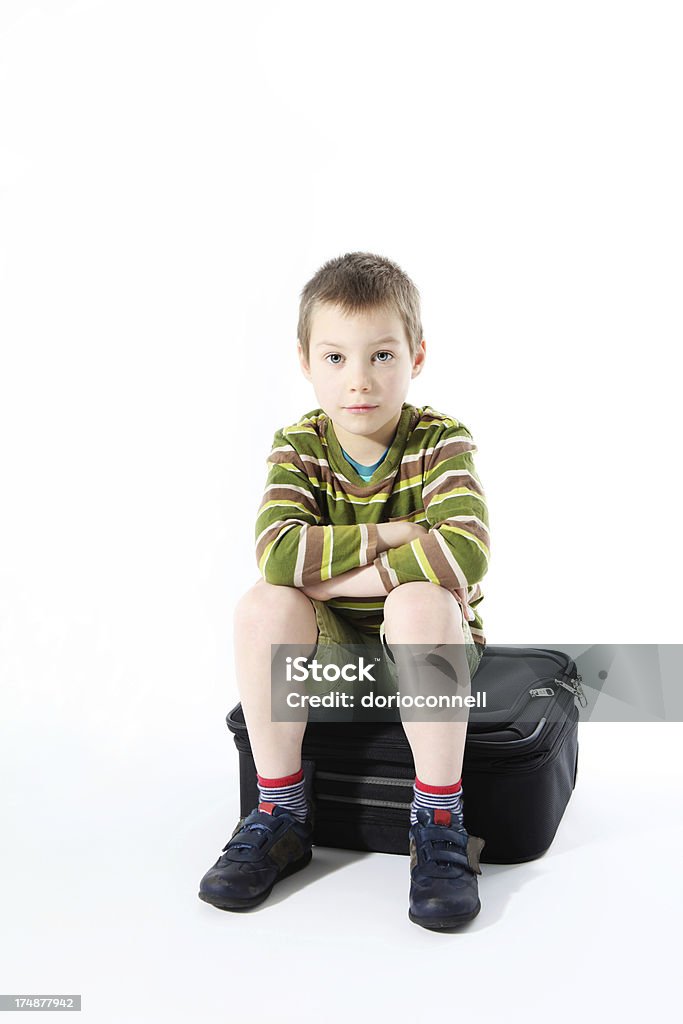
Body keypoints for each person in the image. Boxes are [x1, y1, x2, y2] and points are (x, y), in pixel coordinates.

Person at [198, 251, 491, 930]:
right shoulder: (298, 446)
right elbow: (277, 555)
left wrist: (336, 578)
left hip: (428, 654)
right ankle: (280, 813)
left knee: (418, 602)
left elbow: (466, 551)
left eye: (381, 355)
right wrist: (394, 535)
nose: (359, 380)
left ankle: (438, 819)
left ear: (416, 355)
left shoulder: (441, 442)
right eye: (335, 358)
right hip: (335, 660)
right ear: (304, 360)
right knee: (263, 604)